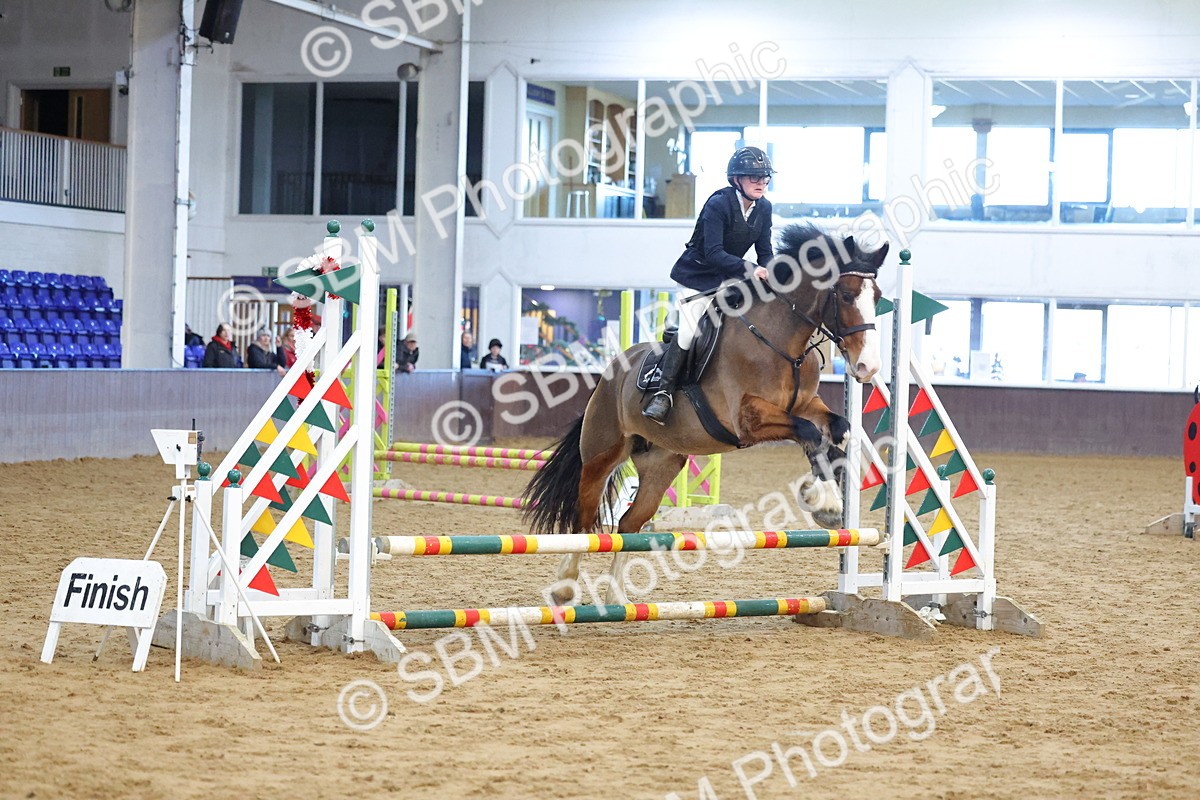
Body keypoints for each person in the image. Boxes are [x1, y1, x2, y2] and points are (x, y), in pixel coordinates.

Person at [642, 145, 775, 424]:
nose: (761, 183)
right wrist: (752, 269)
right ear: (736, 179)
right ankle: (663, 393)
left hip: (729, 276)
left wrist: (775, 273)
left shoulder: (764, 208)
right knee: (691, 329)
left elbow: (765, 251)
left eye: (764, 178)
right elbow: (714, 253)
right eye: (754, 177)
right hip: (698, 276)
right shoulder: (719, 204)